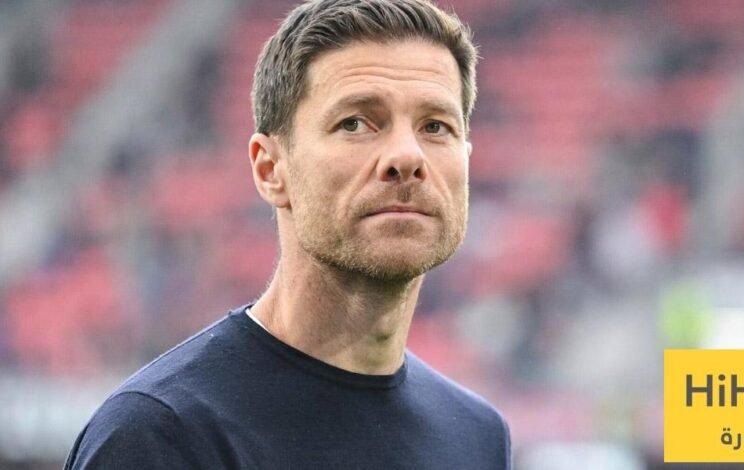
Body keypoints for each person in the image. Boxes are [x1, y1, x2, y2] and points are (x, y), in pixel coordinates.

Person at [64, 0, 511, 468]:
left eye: (436, 126)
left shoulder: (477, 437)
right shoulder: (161, 436)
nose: (407, 155)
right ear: (270, 168)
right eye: (355, 123)